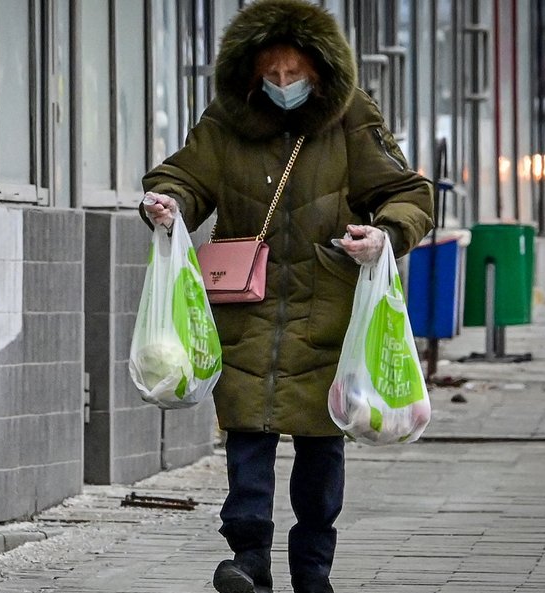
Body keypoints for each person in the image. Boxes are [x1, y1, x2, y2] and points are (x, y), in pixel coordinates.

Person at [139, 1, 433, 592]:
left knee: (321, 451)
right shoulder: (227, 120)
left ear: (318, 72)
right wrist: (167, 203)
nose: (282, 86)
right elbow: (184, 177)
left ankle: (312, 572)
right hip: (246, 310)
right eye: (270, 76)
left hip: (327, 311)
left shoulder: (352, 119)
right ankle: (248, 560)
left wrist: (384, 233)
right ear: (250, 73)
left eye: (293, 75)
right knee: (248, 436)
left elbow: (409, 192)